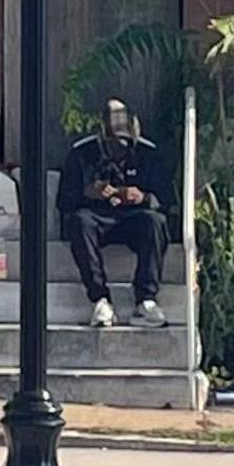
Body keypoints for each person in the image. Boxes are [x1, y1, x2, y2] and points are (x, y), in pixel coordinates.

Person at [58, 100, 169, 327]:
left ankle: (146, 299)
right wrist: (88, 193)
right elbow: (64, 203)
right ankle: (100, 299)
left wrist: (143, 197)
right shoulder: (81, 153)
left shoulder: (149, 154)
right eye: (112, 142)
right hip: (97, 216)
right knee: (80, 221)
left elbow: (166, 200)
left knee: (155, 221)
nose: (119, 147)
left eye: (124, 142)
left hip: (134, 218)